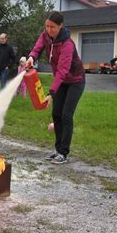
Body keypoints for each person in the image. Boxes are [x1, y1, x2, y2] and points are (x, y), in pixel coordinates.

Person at [27, 11, 85, 164]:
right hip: (62, 81)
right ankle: (58, 149)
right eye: (47, 26)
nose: (49, 30)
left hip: (75, 81)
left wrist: (51, 93)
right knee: (56, 114)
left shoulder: (67, 45)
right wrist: (31, 57)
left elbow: (62, 71)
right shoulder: (45, 36)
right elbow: (37, 48)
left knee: (66, 115)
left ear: (61, 26)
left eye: (52, 27)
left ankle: (64, 153)